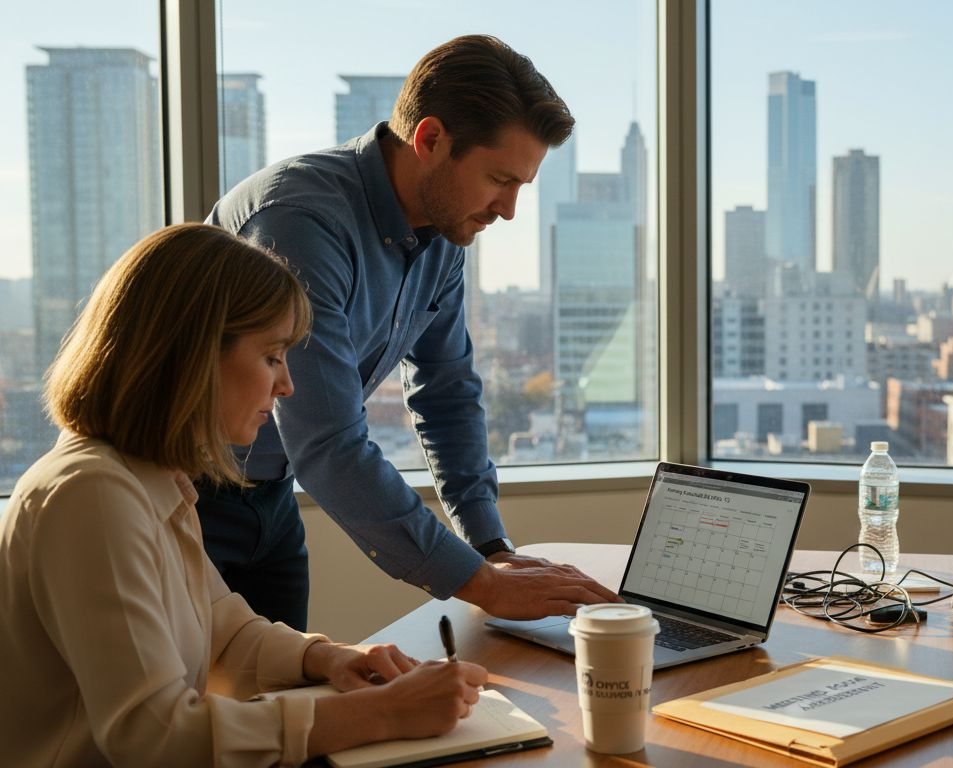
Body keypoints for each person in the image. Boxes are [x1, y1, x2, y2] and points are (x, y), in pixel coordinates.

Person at [0, 224, 488, 767]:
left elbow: (224, 635)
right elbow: (152, 734)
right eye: (273, 356)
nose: (286, 387)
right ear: (194, 355)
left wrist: (329, 658)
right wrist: (383, 713)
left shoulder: (148, 478)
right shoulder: (91, 496)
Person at [202, 34, 618, 630]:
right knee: (182, 710)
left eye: (522, 186)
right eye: (500, 179)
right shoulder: (301, 224)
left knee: (281, 694)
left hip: (272, 495)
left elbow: (446, 391)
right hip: (184, 496)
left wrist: (489, 549)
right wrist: (480, 586)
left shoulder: (446, 235)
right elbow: (327, 440)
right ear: (430, 139)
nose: (509, 210)